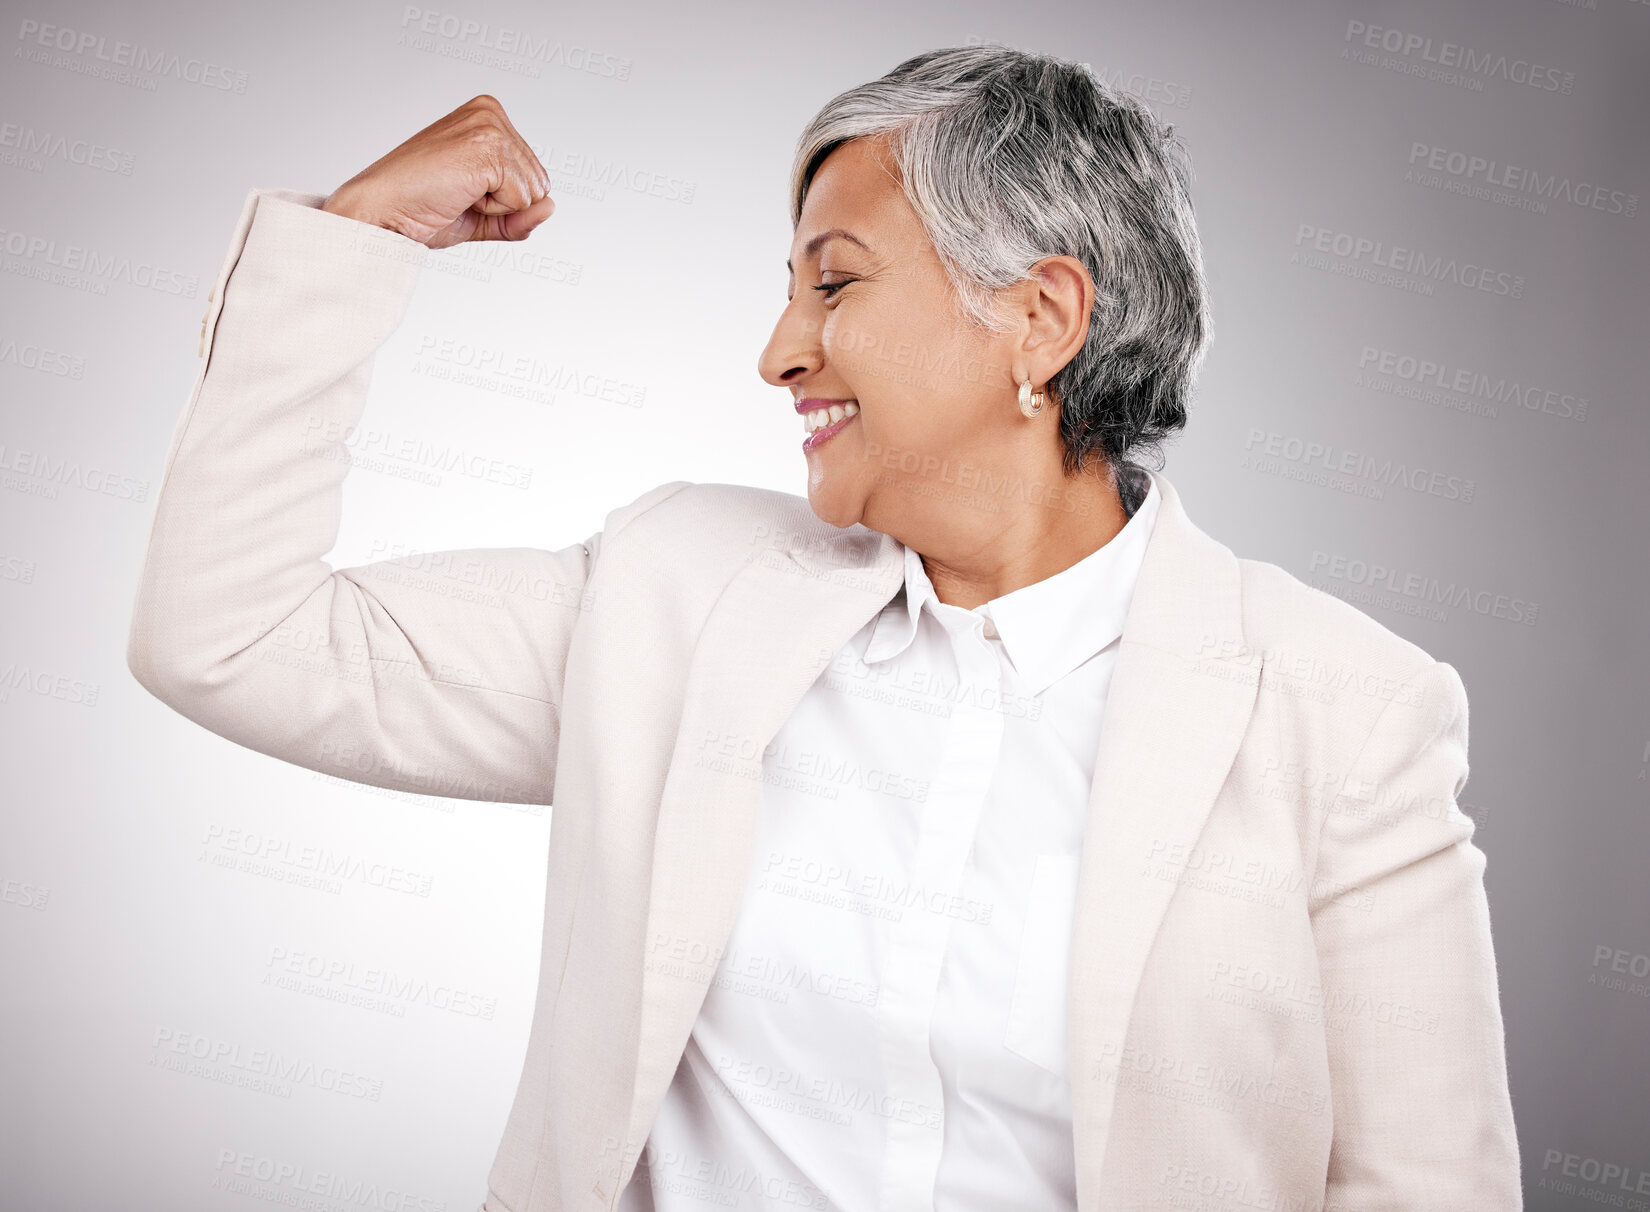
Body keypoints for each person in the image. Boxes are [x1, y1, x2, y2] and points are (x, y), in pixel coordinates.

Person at [127, 44, 1522, 1212]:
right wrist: (355, 239)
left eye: (834, 282)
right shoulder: (674, 595)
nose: (778, 348)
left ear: (1038, 320)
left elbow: (1424, 1188)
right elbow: (230, 634)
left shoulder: (1342, 712)